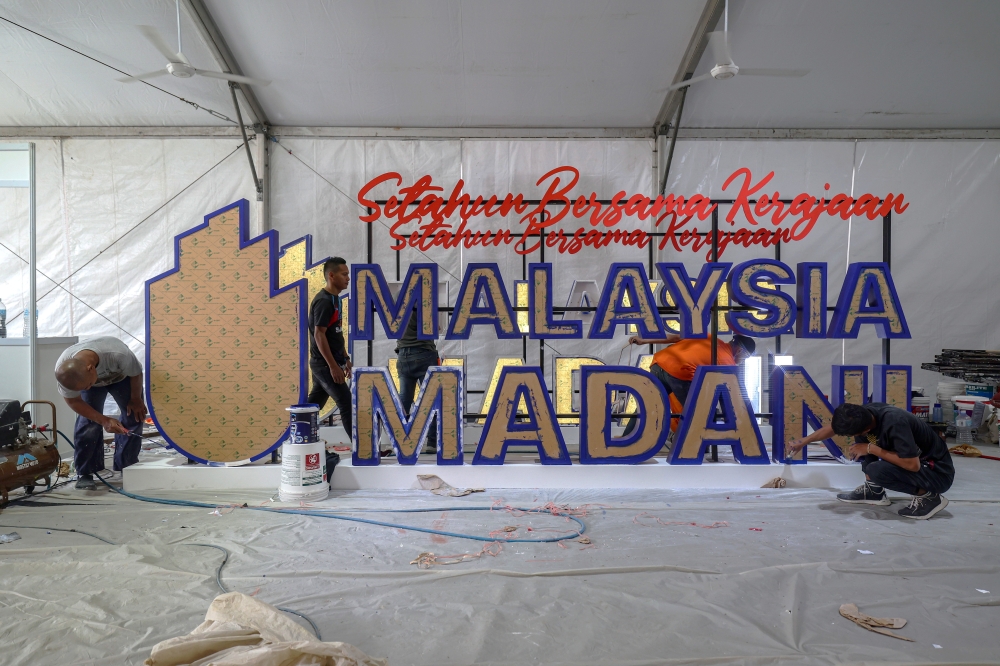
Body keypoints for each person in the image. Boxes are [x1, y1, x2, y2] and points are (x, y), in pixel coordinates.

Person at [787, 402, 955, 520]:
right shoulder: (863, 414)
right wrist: (803, 441)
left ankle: (928, 497)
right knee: (861, 444)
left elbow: (912, 465)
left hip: (936, 473)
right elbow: (832, 428)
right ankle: (873, 491)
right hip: (918, 465)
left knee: (876, 468)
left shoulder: (895, 423)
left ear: (867, 428)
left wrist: (870, 449)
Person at [625, 333, 757, 440]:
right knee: (701, 413)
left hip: (659, 363)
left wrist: (644, 340)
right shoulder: (728, 362)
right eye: (745, 357)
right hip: (679, 372)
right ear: (740, 350)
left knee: (646, 406)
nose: (742, 361)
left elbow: (675, 337)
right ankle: (688, 446)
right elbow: (731, 395)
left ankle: (626, 442)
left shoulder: (710, 337)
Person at [54, 336, 146, 490]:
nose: (87, 390)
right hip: (91, 378)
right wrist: (104, 420)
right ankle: (86, 472)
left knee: (134, 415)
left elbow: (136, 374)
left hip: (121, 377)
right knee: (88, 423)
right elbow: (74, 401)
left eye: (87, 385)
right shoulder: (65, 373)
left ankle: (127, 466)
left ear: (90, 368)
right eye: (83, 388)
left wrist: (136, 398)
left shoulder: (118, 355)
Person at [307, 257, 353, 440]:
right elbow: (319, 334)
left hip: (329, 363)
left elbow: (336, 333)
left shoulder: (335, 299)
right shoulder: (324, 301)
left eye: (348, 274)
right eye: (344, 274)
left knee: (312, 407)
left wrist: (345, 358)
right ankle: (362, 449)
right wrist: (333, 366)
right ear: (331, 276)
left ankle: (297, 441)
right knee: (346, 402)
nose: (348, 278)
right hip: (324, 365)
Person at [395, 312, 440, 453]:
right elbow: (434, 328)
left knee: (404, 399)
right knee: (430, 399)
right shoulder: (424, 301)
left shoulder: (399, 302)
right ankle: (432, 442)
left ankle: (399, 439)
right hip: (423, 351)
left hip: (403, 354)